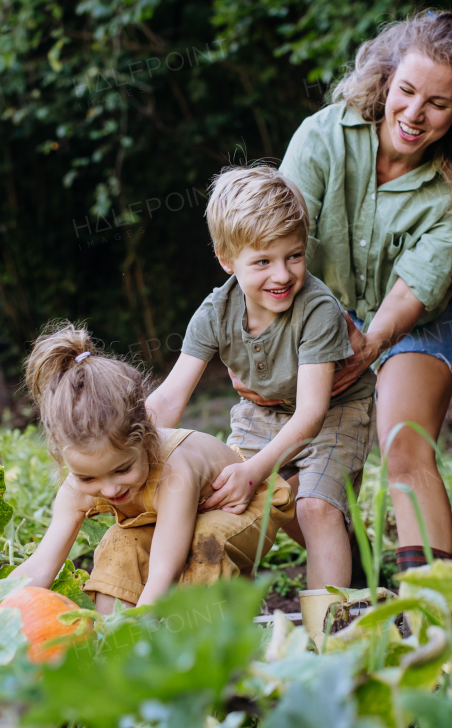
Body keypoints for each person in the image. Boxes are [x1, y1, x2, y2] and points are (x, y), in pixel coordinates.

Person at [263, 11, 452, 570]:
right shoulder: (323, 135)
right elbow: (276, 238)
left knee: (403, 443)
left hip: (414, 319)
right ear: (387, 79)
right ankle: (351, 569)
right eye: (406, 91)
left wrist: (371, 340)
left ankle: (428, 604)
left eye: (438, 104)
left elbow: (411, 292)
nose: (414, 113)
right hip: (314, 313)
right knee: (279, 469)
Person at [145, 165, 376, 590]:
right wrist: (125, 444)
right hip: (262, 408)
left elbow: (310, 413)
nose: (283, 275)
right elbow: (169, 398)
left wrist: (253, 470)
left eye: (294, 256)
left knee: (313, 507)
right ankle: (349, 563)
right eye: (263, 262)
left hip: (334, 408)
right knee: (234, 501)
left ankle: (330, 635)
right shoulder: (215, 312)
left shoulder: (317, 309)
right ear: (227, 260)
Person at [10, 323, 295, 612]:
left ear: (146, 439)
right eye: (87, 477)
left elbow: (163, 571)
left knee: (205, 543)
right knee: (119, 543)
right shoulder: (76, 489)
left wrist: (141, 625)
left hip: (239, 502)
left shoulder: (174, 475)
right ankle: (112, 639)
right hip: (173, 518)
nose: (109, 488)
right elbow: (43, 565)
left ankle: (208, 642)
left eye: (122, 470)